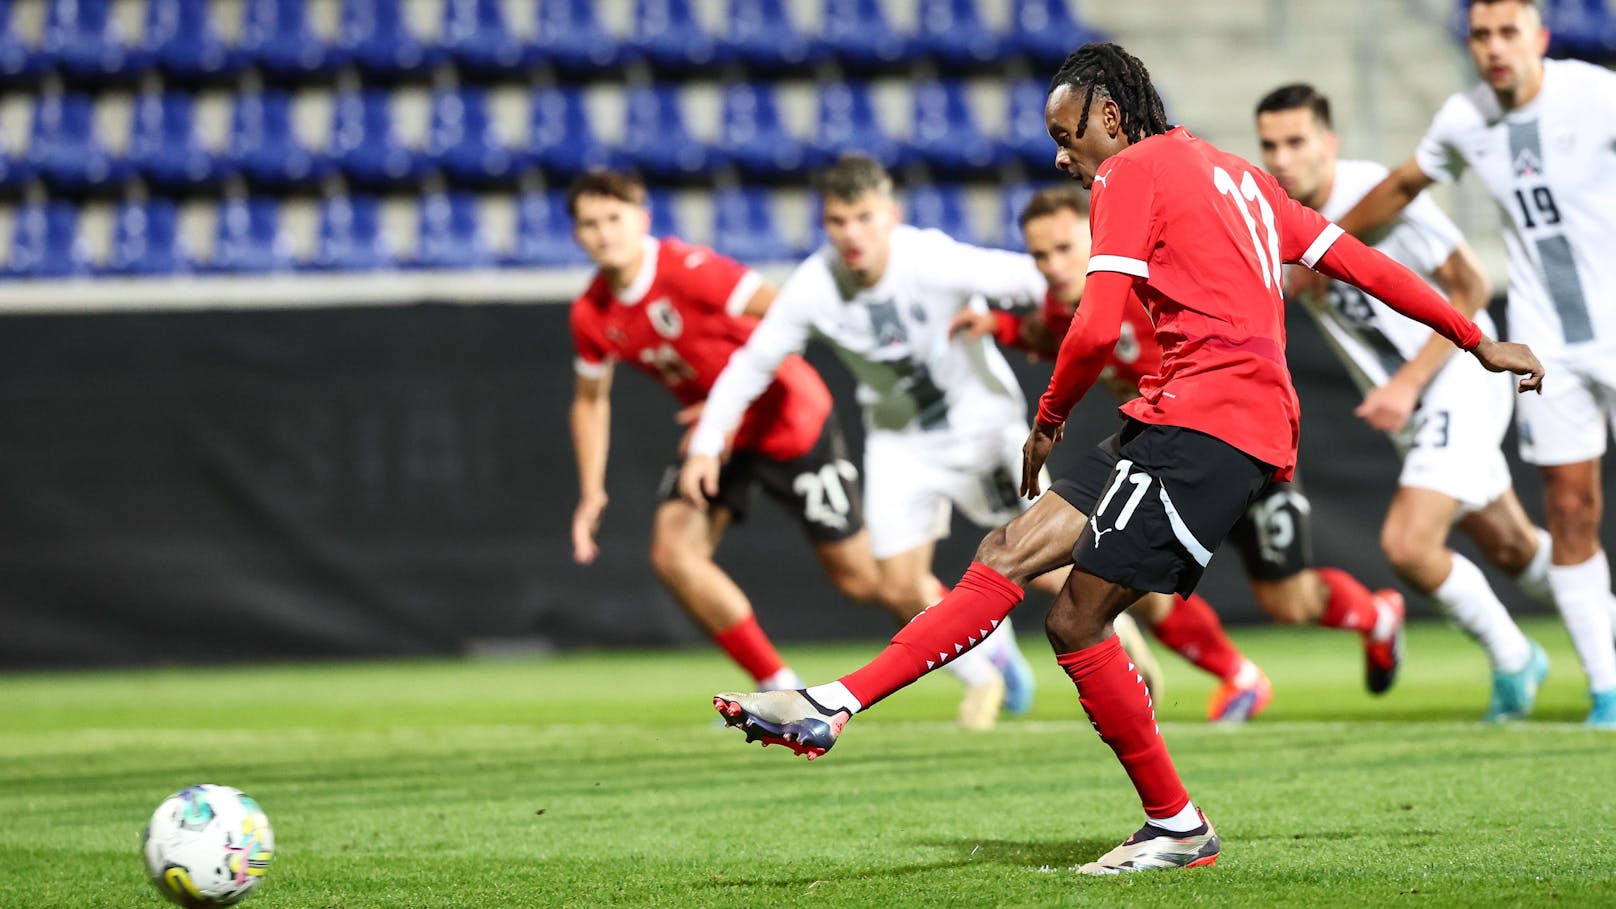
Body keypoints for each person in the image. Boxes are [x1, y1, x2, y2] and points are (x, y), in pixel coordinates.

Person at [713, 42, 1543, 874]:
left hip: (1212, 425)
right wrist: (1474, 337)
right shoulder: (1242, 178)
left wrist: (1048, 419)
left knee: (1075, 617)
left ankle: (1176, 824)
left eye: (1067, 135)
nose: (1062, 156)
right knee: (1007, 551)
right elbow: (1360, 261)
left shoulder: (1130, 172)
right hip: (1183, 417)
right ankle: (836, 702)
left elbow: (1097, 321)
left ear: (1109, 116)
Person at [680, 156, 1046, 729]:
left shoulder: (930, 256)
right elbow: (753, 363)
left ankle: (1145, 642)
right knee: (896, 583)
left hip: (981, 425)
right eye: (837, 220)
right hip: (901, 441)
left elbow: (1033, 276)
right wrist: (707, 442)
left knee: (1048, 564)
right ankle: (987, 656)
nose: (851, 233)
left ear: (891, 216)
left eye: (863, 217)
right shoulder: (814, 285)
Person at [1336, 0, 1616, 728]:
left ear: (1540, 38)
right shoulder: (1465, 117)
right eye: (1481, 35)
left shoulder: (1594, 93)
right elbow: (1400, 187)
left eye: (1507, 32)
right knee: (1571, 509)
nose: (1494, 48)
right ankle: (1606, 690)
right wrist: (1321, 247)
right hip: (1546, 341)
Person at [1256, 82, 1557, 720]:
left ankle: (1514, 659)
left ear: (1327, 143)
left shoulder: (1373, 191)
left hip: (1453, 378)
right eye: (1269, 145)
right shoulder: (1277, 222)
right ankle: (1598, 613)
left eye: (1296, 141)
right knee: (1511, 547)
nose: (1282, 158)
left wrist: (1408, 382)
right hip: (1413, 407)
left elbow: (1472, 285)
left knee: (1408, 545)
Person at [953, 186, 1277, 723]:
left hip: (1221, 435)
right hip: (1162, 445)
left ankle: (1348, 627)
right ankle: (1229, 675)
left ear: (1097, 237)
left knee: (1285, 594)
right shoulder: (1066, 303)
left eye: (1064, 248)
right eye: (1040, 255)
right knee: (1121, 572)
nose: (1054, 266)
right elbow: (1053, 333)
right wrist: (1001, 327)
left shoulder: (1148, 285)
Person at [567, 169, 880, 695]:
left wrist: (729, 399)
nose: (603, 233)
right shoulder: (591, 312)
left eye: (614, 218)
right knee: (673, 554)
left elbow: (791, 314)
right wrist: (591, 490)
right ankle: (779, 687)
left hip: (788, 419)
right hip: (717, 440)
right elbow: (589, 402)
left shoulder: (690, 270)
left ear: (642, 220)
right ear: (576, 235)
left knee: (863, 579)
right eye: (589, 223)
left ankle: (986, 649)